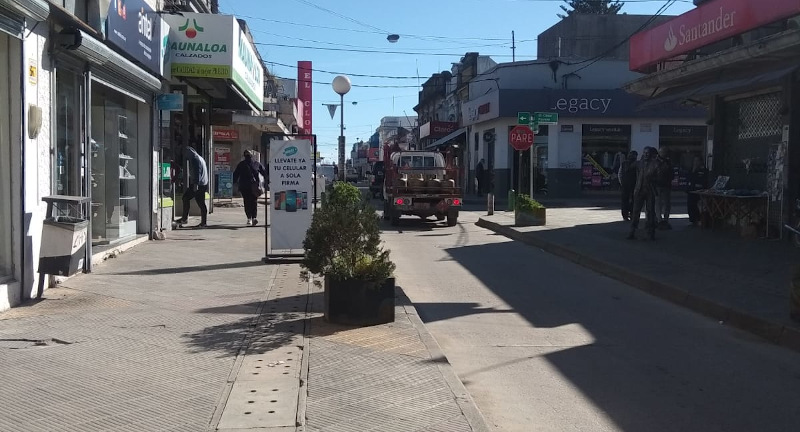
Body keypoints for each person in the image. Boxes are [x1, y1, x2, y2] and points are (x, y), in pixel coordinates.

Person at [628, 147, 659, 240]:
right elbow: (629, 167)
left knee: (650, 212)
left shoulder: (655, 164)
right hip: (639, 190)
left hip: (650, 190)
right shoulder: (639, 163)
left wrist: (653, 179)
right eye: (644, 152)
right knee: (635, 211)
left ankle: (651, 232)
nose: (646, 154)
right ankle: (632, 231)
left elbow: (659, 176)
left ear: (650, 154)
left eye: (648, 153)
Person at [233, 150, 268, 226]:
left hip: (246, 186)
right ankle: (252, 217)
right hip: (252, 186)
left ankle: (250, 218)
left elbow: (235, 175)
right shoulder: (256, 164)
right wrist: (267, 182)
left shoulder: (242, 164)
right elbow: (264, 173)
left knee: (248, 202)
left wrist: (233, 183)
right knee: (252, 202)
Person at [177, 145, 209, 227]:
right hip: (203, 183)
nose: (185, 157)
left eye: (184, 154)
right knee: (201, 203)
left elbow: (197, 172)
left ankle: (184, 219)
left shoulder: (195, 159)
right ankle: (204, 222)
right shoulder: (200, 158)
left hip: (198, 183)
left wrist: (195, 185)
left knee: (185, 198)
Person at [656, 147, 675, 230]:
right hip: (658, 185)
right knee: (658, 203)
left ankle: (666, 219)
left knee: (667, 203)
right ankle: (659, 220)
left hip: (666, 185)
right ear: (659, 152)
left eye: (665, 152)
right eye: (662, 152)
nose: (664, 153)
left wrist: (670, 178)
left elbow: (672, 172)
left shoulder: (668, 161)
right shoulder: (655, 161)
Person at [687, 156, 708, 226]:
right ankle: (692, 219)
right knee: (690, 204)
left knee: (699, 205)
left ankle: (699, 219)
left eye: (697, 161)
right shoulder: (691, 169)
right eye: (695, 161)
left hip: (700, 190)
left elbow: (704, 180)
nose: (696, 162)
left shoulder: (704, 170)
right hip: (691, 190)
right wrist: (693, 171)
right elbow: (689, 178)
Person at [618, 150, 638, 221]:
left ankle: (625, 215)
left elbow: (620, 174)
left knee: (625, 200)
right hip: (633, 184)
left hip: (625, 184)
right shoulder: (637, 164)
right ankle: (631, 214)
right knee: (633, 200)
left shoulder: (623, 163)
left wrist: (622, 183)